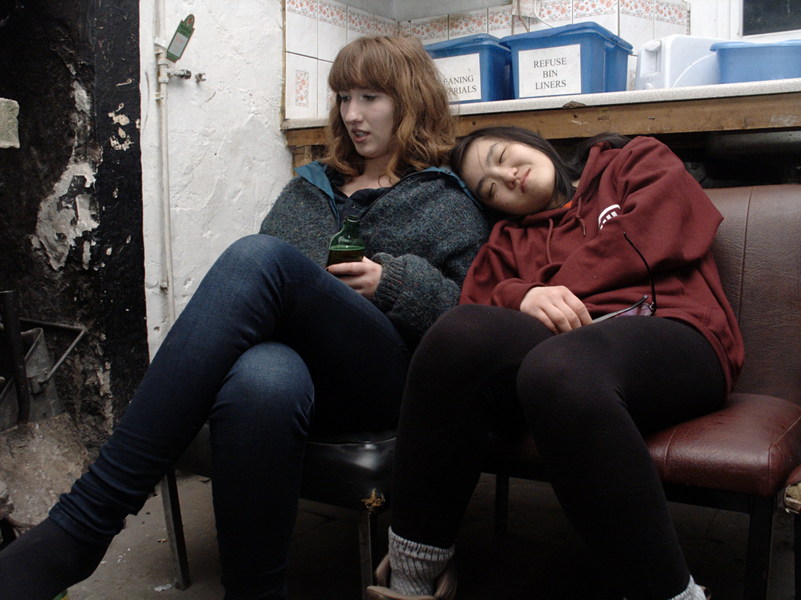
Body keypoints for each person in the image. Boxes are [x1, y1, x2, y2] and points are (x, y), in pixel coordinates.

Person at [0, 36, 491, 600]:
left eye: (370, 98)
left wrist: (394, 283)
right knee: (263, 379)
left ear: (410, 102)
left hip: (383, 380)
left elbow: (469, 323)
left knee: (258, 258)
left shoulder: (445, 200)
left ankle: (84, 522)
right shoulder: (308, 189)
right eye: (343, 98)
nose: (352, 115)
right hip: (300, 376)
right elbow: (260, 304)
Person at [366, 127, 744, 600]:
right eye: (491, 189)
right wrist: (521, 294)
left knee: (557, 367)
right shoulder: (509, 240)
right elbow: (477, 300)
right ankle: (412, 577)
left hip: (678, 333)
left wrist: (551, 287)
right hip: (573, 356)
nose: (507, 177)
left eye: (503, 155)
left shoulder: (630, 161)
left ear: (532, 141)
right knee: (458, 334)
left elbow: (667, 223)